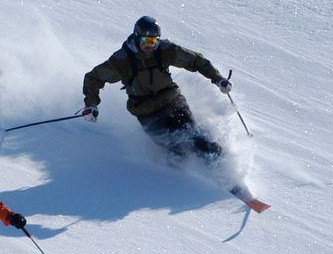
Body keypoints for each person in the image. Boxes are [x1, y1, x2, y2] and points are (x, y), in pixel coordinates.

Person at [81, 15, 233, 159]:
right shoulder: (123, 60)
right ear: (136, 37)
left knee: (192, 135)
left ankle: (222, 165)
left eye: (153, 42)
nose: (149, 46)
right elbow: (93, 78)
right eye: (145, 42)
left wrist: (218, 79)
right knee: (175, 147)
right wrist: (91, 104)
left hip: (171, 100)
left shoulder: (164, 50)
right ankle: (181, 171)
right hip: (146, 111)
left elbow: (195, 60)